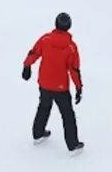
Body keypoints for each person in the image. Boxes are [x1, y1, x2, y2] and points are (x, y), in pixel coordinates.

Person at [22, 13, 85, 154]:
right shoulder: (71, 47)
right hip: (61, 87)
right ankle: (73, 144)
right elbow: (74, 70)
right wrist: (79, 88)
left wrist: (27, 66)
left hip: (44, 83)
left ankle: (38, 134)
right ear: (69, 26)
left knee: (44, 106)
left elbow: (34, 53)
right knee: (67, 114)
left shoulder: (46, 39)